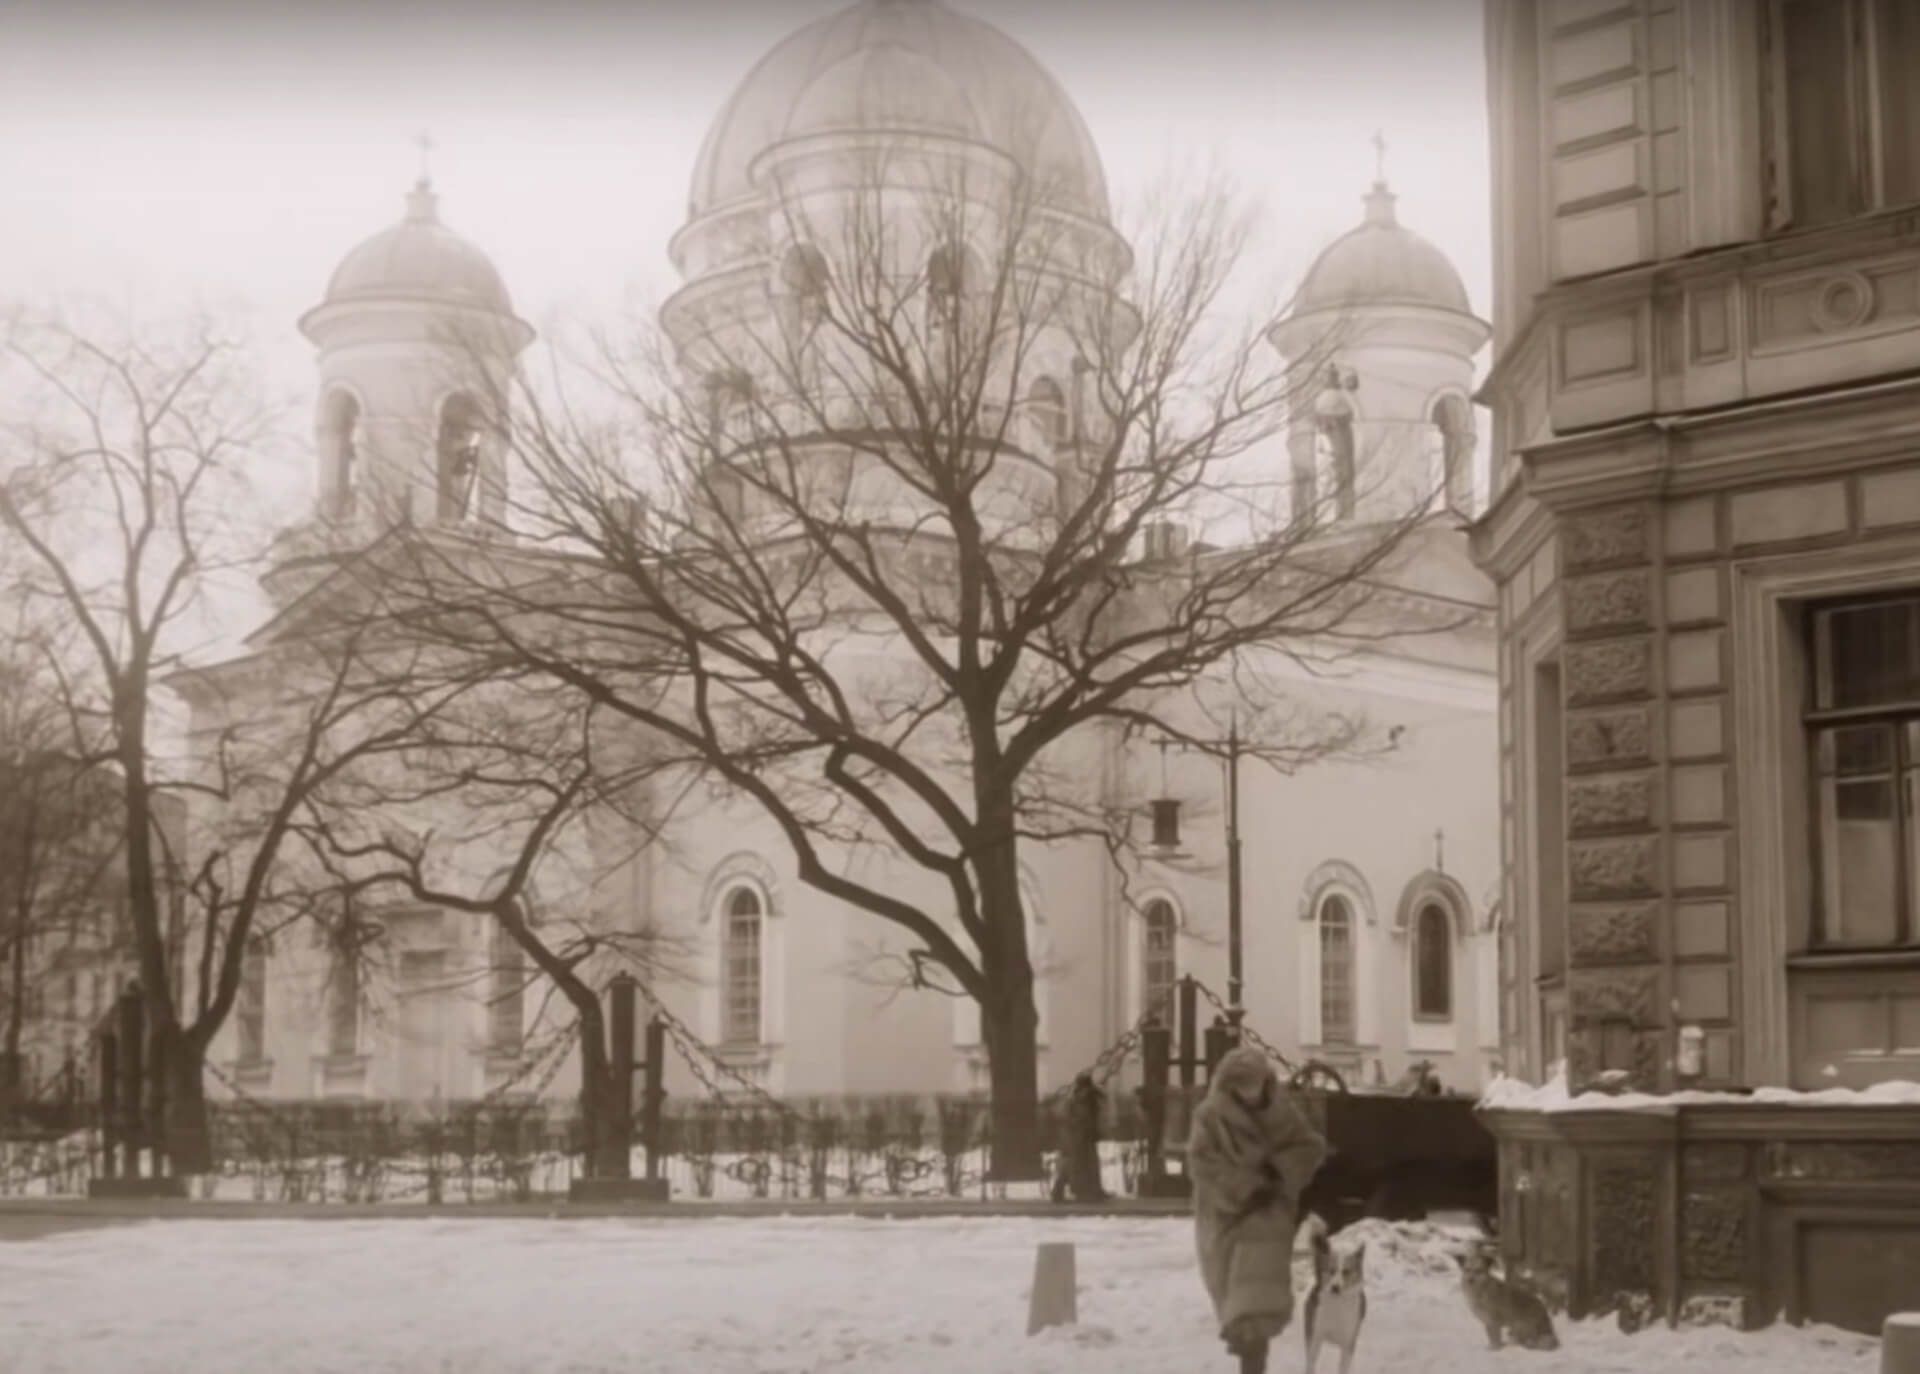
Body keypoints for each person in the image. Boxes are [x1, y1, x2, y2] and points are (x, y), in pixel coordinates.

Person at [1187, 1046, 1328, 1374]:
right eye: (1240, 1086)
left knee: (1256, 1304)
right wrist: (1247, 1185)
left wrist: (1279, 1172)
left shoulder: (1282, 1112)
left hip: (1268, 1219)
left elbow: (1309, 1147)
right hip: (1226, 1216)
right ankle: (1245, 1344)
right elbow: (1202, 1164)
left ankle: (1252, 1355)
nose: (1247, 1093)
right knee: (1231, 1290)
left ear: (1265, 1082)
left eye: (1252, 1084)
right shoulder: (1210, 1116)